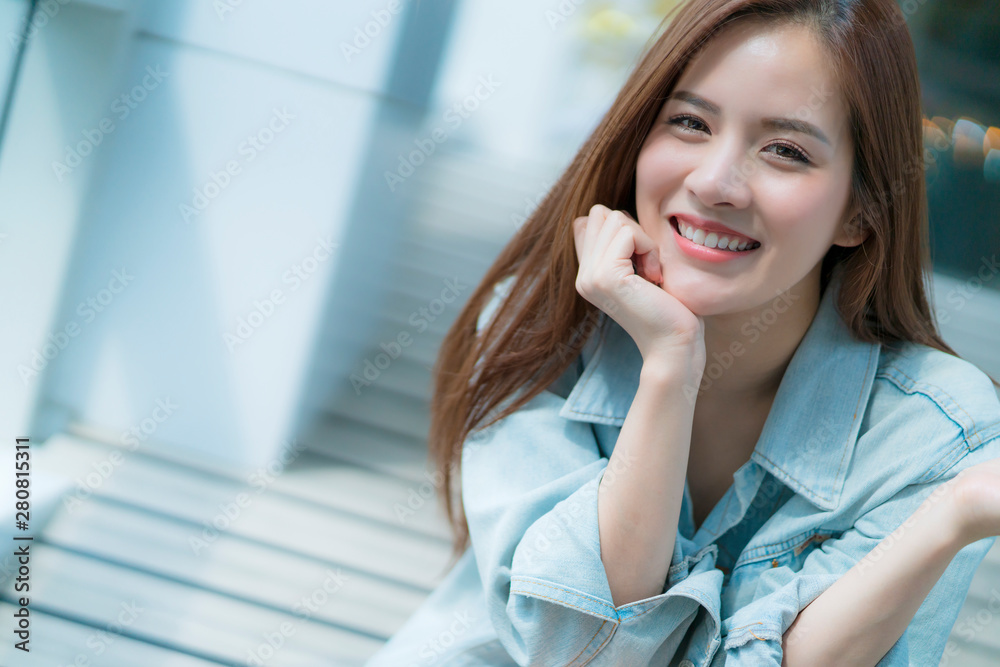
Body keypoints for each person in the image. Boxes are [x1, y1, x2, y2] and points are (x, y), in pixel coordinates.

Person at [365, 0, 1000, 664]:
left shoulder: (934, 436)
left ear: (859, 211)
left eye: (785, 150)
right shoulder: (544, 329)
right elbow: (576, 648)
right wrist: (670, 365)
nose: (715, 181)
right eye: (690, 122)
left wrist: (947, 519)